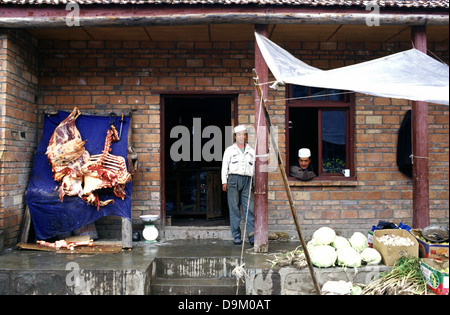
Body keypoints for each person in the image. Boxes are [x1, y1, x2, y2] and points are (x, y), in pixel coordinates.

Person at [221, 125, 255, 245]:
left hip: (247, 180)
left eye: (244, 134)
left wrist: (254, 182)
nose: (241, 137)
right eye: (239, 134)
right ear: (235, 136)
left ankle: (252, 235)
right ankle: (236, 235)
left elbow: (254, 168)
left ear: (246, 136)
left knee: (249, 208)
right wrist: (224, 181)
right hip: (233, 180)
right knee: (234, 208)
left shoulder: (251, 151)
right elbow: (225, 166)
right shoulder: (230, 150)